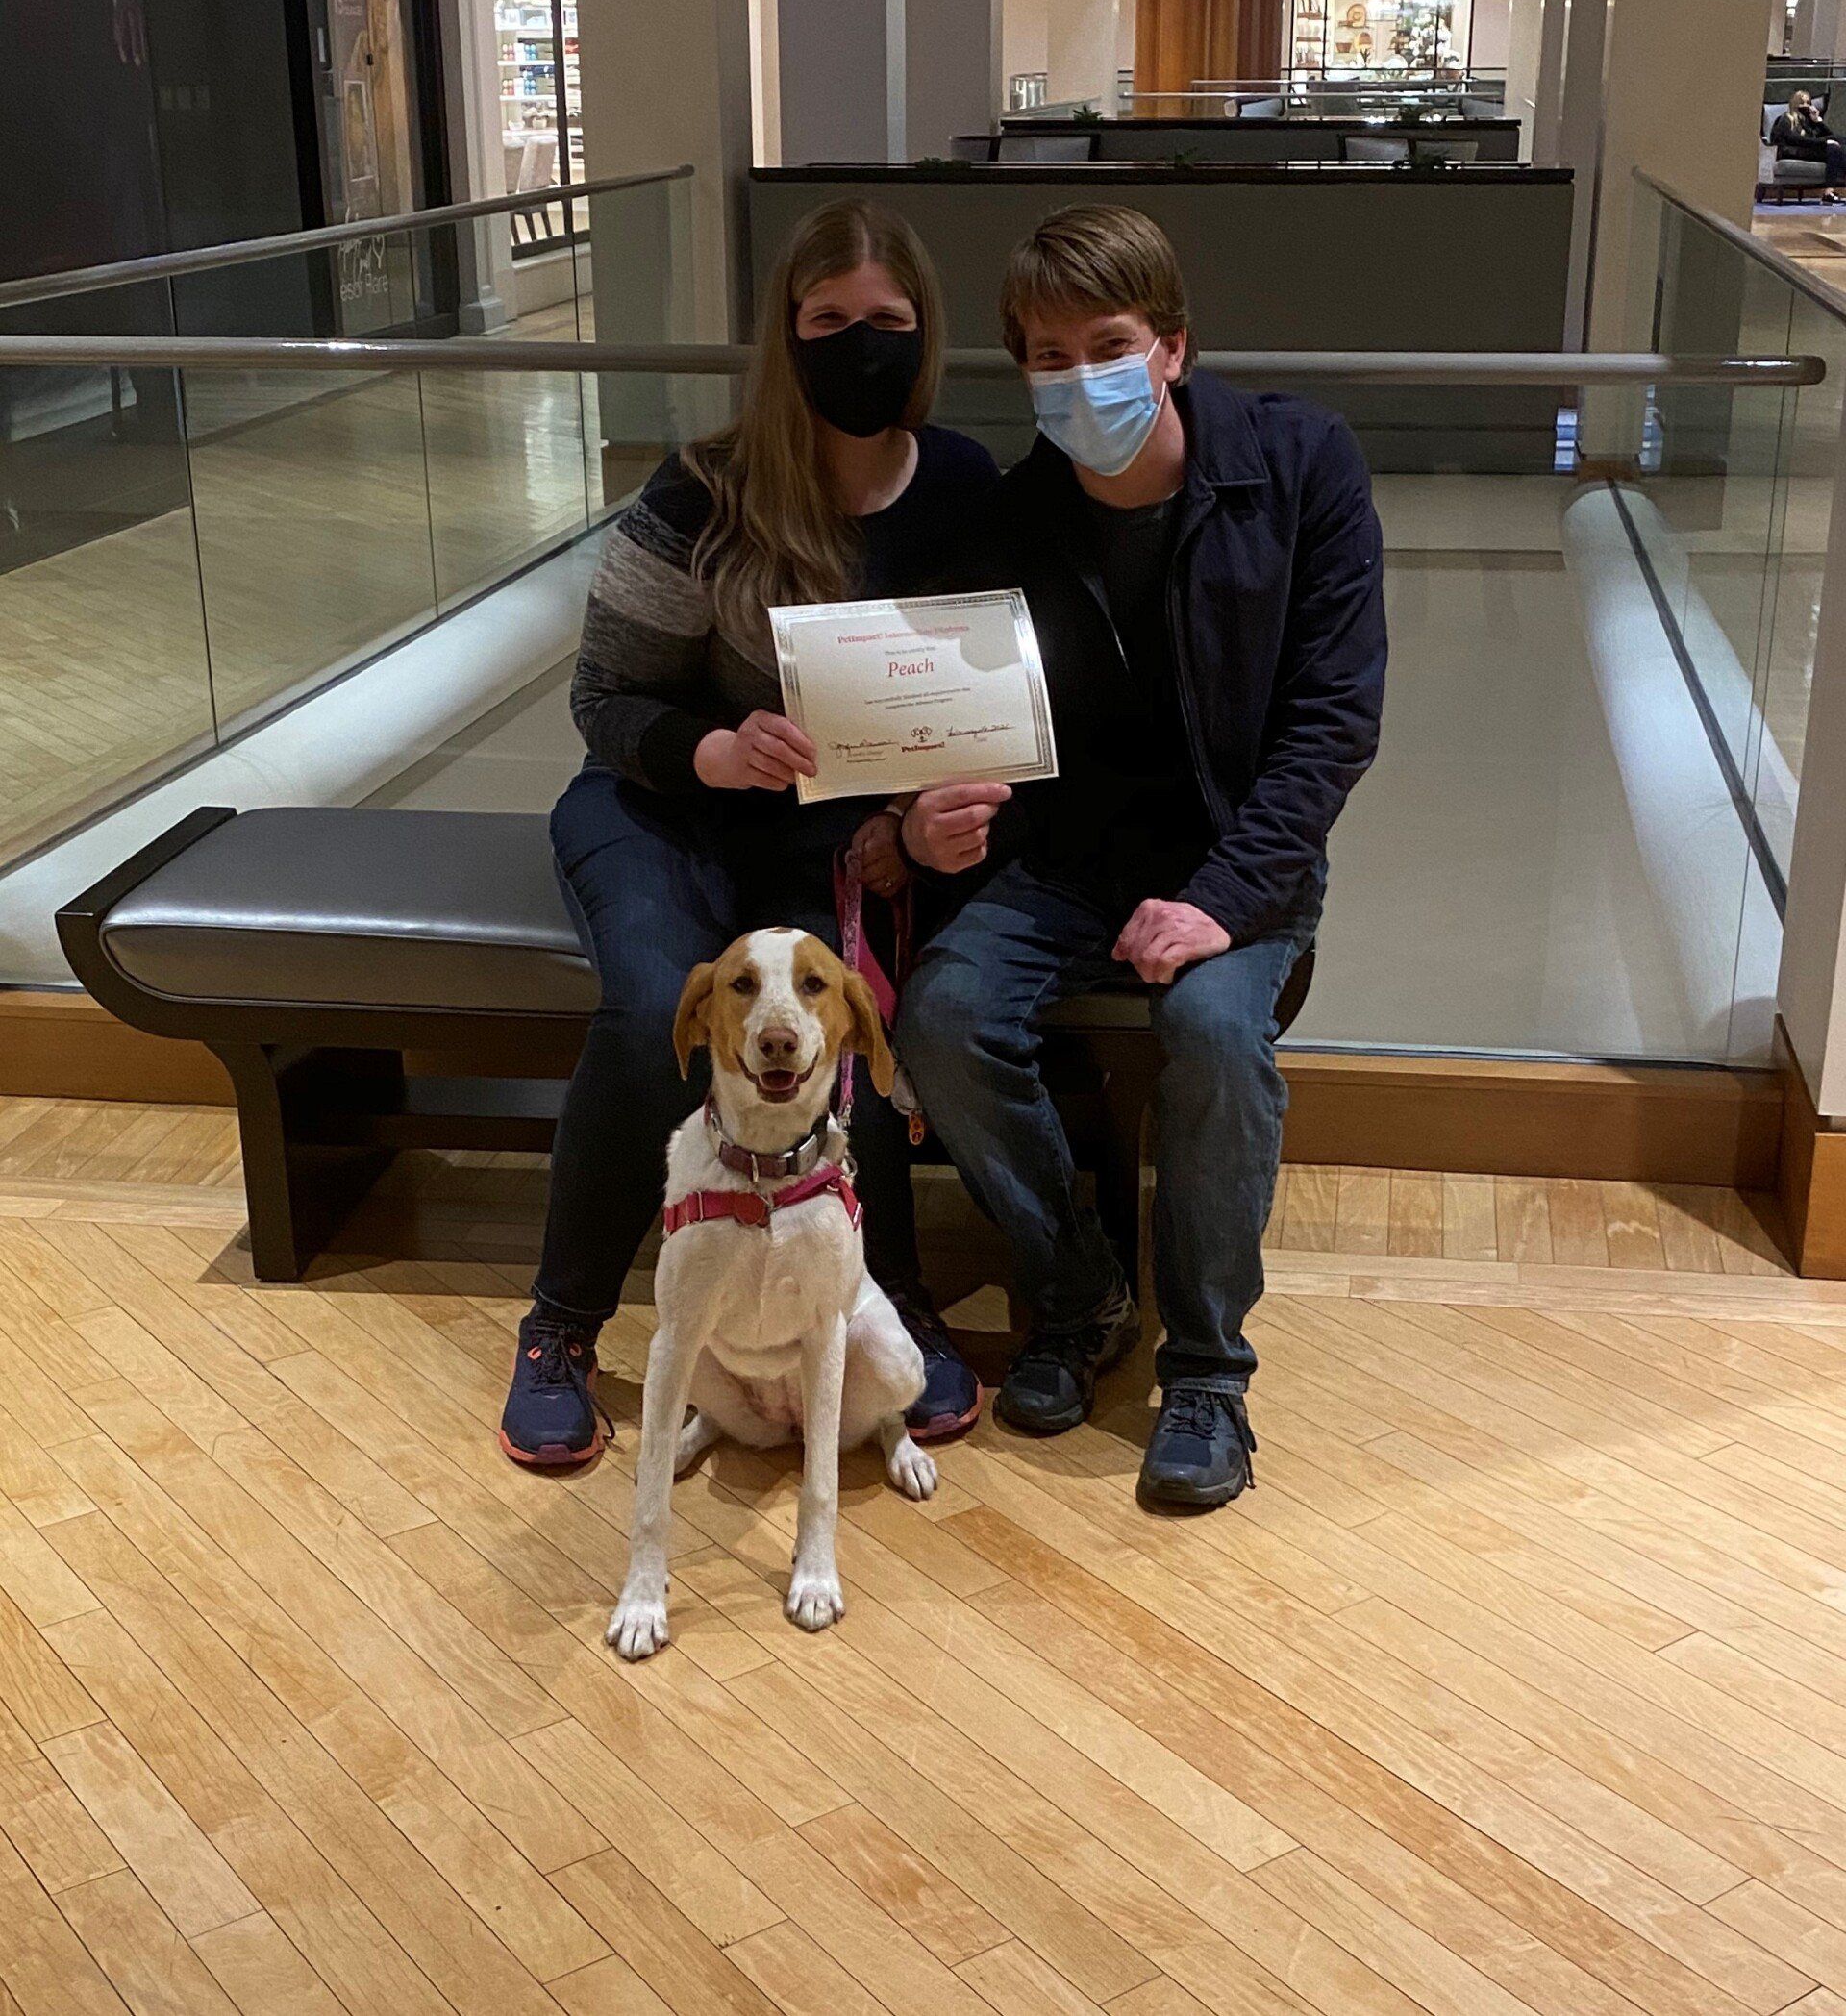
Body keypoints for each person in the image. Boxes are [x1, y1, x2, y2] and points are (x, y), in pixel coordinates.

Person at [895, 205, 1387, 1510]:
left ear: (1172, 344)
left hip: (1244, 856)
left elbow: (1334, 721)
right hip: (1073, 864)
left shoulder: (1299, 466)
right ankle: (1078, 1291)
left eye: (1108, 345)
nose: (1080, 379)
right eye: (1048, 357)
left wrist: (1221, 899)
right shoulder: (1010, 522)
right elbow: (968, 739)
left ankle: (1209, 1372)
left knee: (1215, 1033)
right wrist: (926, 822)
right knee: (943, 1016)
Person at [500, 199, 996, 1467]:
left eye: (886, 320)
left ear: (925, 332)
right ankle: (561, 1322)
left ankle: (882, 1295)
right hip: (659, 810)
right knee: (654, 1008)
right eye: (828, 320)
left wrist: (907, 819)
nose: (859, 344)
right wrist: (710, 748)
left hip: (821, 842)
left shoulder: (962, 486)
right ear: (786, 332)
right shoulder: (706, 489)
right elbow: (604, 698)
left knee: (842, 1022)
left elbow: (973, 705)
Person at [1771, 92, 1846, 197]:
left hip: (1807, 149)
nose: (1805, 105)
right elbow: (1794, 140)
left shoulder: (1807, 121)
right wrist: (1824, 143)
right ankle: (1829, 192)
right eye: (1802, 103)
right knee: (1834, 147)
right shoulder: (1786, 118)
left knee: (1839, 144)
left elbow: (1829, 135)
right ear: (1795, 104)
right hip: (1793, 151)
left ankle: (1829, 192)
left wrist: (1817, 121)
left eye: (1808, 103)